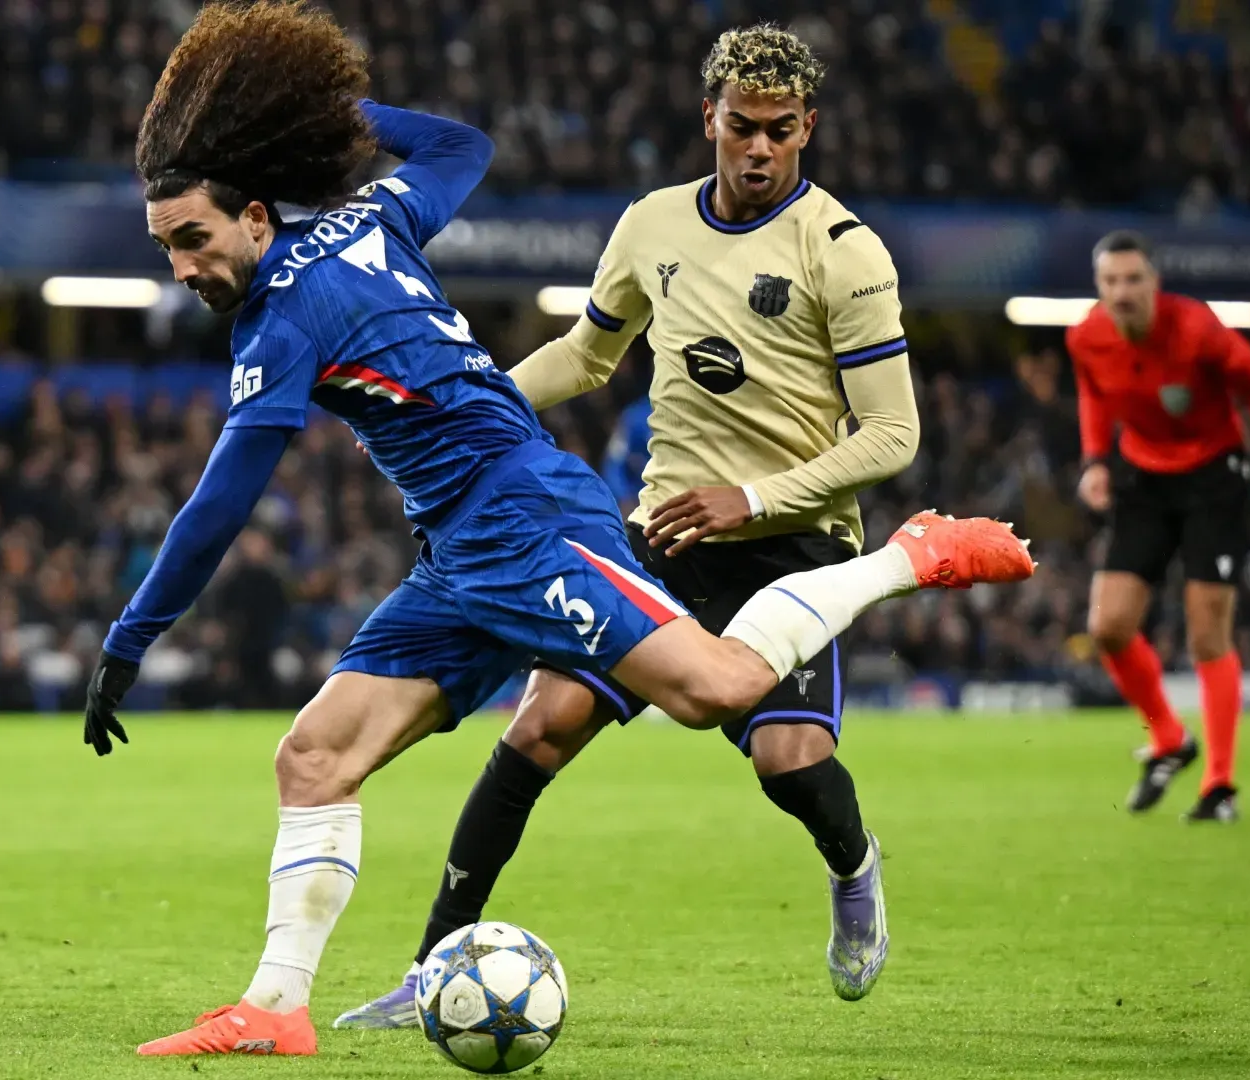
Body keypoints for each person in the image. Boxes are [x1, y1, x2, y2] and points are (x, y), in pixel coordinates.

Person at [80, 1, 1033, 1058]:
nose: (183, 268)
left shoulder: (282, 320)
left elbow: (224, 498)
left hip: (533, 523)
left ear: (257, 216)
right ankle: (274, 1007)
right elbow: (458, 147)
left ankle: (916, 554)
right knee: (314, 756)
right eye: (166, 247)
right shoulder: (370, 214)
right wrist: (324, 118)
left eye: (195, 240)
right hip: (464, 546)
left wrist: (129, 635)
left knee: (722, 692)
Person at [337, 23, 936, 1028]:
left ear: (808, 129)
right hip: (662, 539)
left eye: (779, 132)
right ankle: (429, 968)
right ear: (709, 117)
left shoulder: (844, 250)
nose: (757, 150)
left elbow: (893, 433)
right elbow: (586, 354)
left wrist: (753, 497)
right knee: (539, 727)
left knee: (788, 763)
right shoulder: (652, 224)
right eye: (741, 127)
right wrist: (460, 415)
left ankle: (854, 867)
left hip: (790, 549)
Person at [1068, 231, 1250, 823]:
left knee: (1205, 634)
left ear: (1154, 283)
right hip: (1143, 477)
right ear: (1099, 286)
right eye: (1111, 281)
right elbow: (1093, 391)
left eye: (1133, 280)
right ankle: (1170, 738)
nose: (1122, 292)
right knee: (1108, 626)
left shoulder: (1198, 332)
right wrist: (1095, 459)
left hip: (1213, 478)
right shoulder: (1086, 336)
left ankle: (1218, 785)